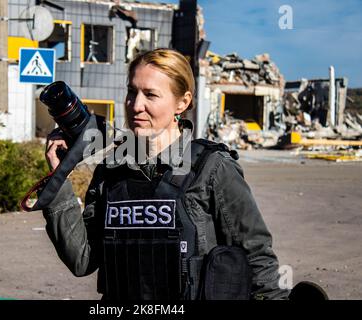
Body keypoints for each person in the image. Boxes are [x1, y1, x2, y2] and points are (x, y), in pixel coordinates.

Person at [42, 48, 289, 300]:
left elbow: (256, 256)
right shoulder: (111, 172)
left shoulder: (212, 168)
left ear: (182, 102)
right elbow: (82, 260)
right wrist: (59, 180)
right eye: (131, 92)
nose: (136, 105)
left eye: (150, 95)